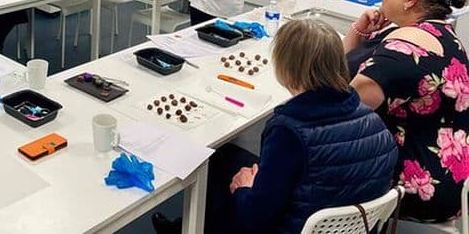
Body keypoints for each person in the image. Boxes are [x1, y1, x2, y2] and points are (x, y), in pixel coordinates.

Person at [154, 19, 398, 234]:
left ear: (286, 68)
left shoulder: (289, 130)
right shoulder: (375, 123)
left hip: (296, 226)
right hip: (350, 224)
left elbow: (255, 219)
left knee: (221, 167)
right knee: (227, 157)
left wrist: (245, 189)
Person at [347, 0, 468, 222]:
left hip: (417, 185)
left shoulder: (402, 50)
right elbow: (344, 65)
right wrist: (360, 31)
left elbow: (340, 101)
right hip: (453, 175)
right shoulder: (441, 33)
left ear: (410, 0)